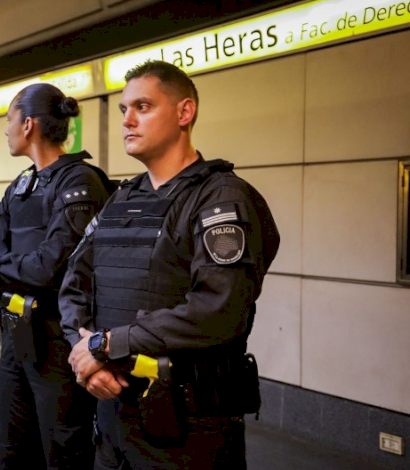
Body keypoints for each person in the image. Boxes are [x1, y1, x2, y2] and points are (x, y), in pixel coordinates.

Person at [60, 60, 281, 469]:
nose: (127, 119)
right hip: (112, 417)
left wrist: (105, 345)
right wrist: (84, 350)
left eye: (142, 107)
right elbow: (74, 284)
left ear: (184, 113)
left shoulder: (221, 198)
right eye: (124, 109)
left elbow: (219, 310)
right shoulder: (120, 200)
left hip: (189, 427)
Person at [0, 83, 112, 470]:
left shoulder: (81, 182)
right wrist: (2, 264)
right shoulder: (20, 184)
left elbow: (49, 268)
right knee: (14, 447)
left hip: (57, 341)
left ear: (28, 124)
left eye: (8, 120)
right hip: (16, 336)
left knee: (62, 450)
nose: (6, 130)